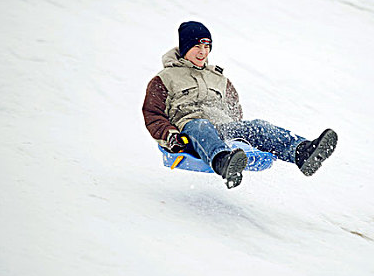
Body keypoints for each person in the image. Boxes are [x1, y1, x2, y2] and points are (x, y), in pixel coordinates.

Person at [142, 21, 337, 188]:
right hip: (190, 131)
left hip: (223, 128)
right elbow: (153, 114)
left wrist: (240, 136)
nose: (203, 52)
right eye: (197, 47)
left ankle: (302, 152)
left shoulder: (219, 79)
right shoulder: (165, 79)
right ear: (185, 48)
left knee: (258, 127)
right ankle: (223, 162)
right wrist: (171, 136)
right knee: (201, 126)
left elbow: (234, 109)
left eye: (207, 47)